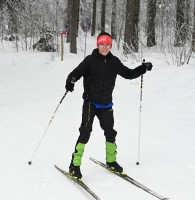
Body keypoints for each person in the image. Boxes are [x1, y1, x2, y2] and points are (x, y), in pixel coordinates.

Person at [65, 32, 153, 180]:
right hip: (90, 103)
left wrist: (141, 69)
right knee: (85, 132)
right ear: (98, 45)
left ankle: (111, 161)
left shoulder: (114, 62)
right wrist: (70, 80)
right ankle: (74, 166)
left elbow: (128, 74)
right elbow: (76, 73)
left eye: (107, 45)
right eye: (102, 44)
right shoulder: (90, 60)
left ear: (110, 46)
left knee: (110, 132)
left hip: (106, 104)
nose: (104, 47)